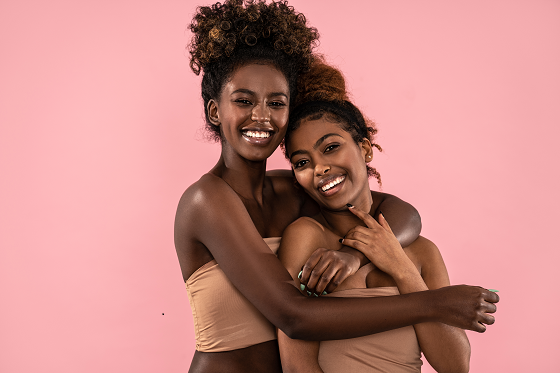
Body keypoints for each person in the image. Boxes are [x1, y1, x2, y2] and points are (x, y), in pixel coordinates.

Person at [175, 1, 498, 372]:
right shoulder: (206, 200)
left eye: (276, 102)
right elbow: (294, 317)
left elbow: (397, 210)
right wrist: (436, 304)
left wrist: (359, 254)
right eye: (244, 101)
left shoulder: (292, 190)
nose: (261, 115)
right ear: (215, 111)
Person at [277, 59, 475, 373]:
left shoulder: (423, 252)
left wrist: (399, 265)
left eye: (330, 147)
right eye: (302, 162)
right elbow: (297, 362)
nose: (319, 168)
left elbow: (455, 365)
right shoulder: (307, 237)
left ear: (366, 149)